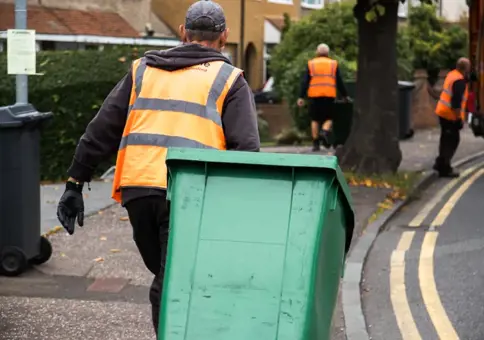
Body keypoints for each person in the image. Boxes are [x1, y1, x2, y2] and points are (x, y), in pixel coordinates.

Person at [55, 0, 260, 336]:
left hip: (138, 191)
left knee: (169, 274)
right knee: (171, 282)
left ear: (183, 32)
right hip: (189, 194)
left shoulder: (142, 70)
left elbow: (101, 129)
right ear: (224, 36)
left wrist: (74, 183)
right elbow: (246, 151)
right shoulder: (230, 80)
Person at [297, 43, 350, 151]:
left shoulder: (311, 64)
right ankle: (324, 131)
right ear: (327, 53)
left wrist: (301, 97)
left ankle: (316, 144)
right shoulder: (333, 64)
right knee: (329, 118)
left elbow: (305, 81)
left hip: (314, 95)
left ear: (317, 52)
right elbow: (339, 81)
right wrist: (345, 95)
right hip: (329, 95)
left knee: (315, 119)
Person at [433, 57, 470, 178]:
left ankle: (440, 163)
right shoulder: (459, 81)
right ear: (466, 68)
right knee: (452, 141)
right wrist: (459, 118)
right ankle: (445, 168)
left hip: (442, 112)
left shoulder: (452, 74)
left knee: (445, 139)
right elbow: (456, 102)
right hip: (450, 115)